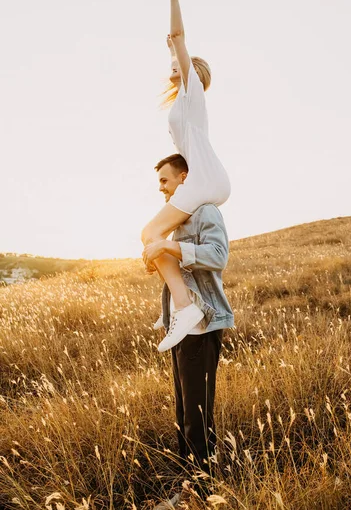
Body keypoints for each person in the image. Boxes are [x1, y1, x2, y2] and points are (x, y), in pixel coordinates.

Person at [140, 0, 231, 353]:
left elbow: (177, 36)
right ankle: (179, 306)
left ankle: (185, 307)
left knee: (150, 234)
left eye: (180, 63)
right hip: (205, 180)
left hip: (209, 181)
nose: (173, 65)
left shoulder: (192, 93)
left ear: (192, 70)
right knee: (156, 238)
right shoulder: (185, 105)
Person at [143, 153, 234, 509]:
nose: (162, 189)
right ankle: (189, 484)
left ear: (185, 177)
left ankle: (200, 493)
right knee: (184, 412)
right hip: (183, 327)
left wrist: (168, 245)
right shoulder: (179, 220)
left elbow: (218, 255)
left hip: (203, 325)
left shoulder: (205, 211)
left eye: (165, 180)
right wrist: (162, 257)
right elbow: (184, 271)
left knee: (197, 415)